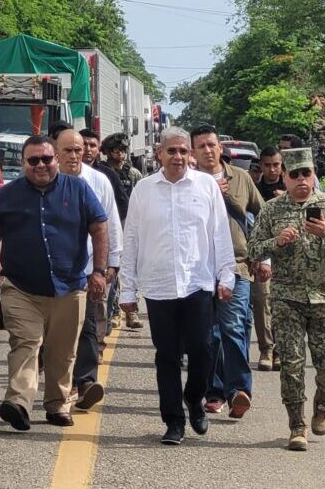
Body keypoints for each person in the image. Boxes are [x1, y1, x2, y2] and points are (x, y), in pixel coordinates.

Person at [0, 135, 109, 430]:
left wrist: (99, 271)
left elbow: (99, 227)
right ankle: (19, 403)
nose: (40, 165)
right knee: (26, 343)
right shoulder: (8, 195)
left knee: (62, 352)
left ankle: (57, 405)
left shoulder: (78, 189)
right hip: (21, 287)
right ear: (23, 163)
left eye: (46, 159)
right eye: (32, 160)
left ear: (56, 160)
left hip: (70, 287)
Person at [119, 126, 236, 445]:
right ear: (159, 154)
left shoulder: (206, 187)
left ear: (191, 154)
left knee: (203, 348)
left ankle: (194, 398)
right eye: (172, 151)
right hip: (159, 286)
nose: (178, 157)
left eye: (184, 151)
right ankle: (173, 421)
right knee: (167, 355)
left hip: (198, 282)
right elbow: (131, 240)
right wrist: (127, 289)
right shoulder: (144, 189)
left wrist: (226, 275)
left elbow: (220, 234)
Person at [248, 148, 325, 451]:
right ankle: (296, 426)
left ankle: (322, 404)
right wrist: (276, 241)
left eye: (306, 173)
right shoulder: (272, 209)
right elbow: (253, 249)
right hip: (287, 299)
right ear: (284, 176)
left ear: (314, 176)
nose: (301, 179)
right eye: (294, 174)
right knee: (292, 366)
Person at [191, 124, 266, 419]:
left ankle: (239, 391)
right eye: (202, 146)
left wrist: (263, 257)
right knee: (208, 335)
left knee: (233, 327)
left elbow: (262, 215)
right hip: (199, 268)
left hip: (236, 264)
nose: (208, 151)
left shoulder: (242, 178)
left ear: (220, 148)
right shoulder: (188, 182)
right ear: (194, 152)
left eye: (212, 145)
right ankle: (214, 391)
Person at [56, 129, 123, 409]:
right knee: (60, 330)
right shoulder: (46, 180)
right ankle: (62, 381)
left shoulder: (99, 181)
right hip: (53, 270)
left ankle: (85, 382)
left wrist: (112, 263)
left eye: (78, 150)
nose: (74, 156)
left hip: (88, 267)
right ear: (56, 153)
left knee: (88, 326)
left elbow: (111, 223)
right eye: (68, 151)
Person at [80, 128, 128, 360]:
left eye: (92, 145)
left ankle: (95, 348)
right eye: (83, 146)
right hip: (69, 262)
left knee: (97, 306)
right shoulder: (55, 176)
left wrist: (113, 259)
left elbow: (116, 216)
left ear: (98, 149)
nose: (87, 150)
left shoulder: (106, 177)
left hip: (98, 257)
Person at [102, 132, 144, 331]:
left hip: (128, 223)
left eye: (123, 150)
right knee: (111, 268)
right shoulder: (102, 172)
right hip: (108, 224)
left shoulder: (133, 173)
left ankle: (131, 310)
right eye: (116, 150)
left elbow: (139, 200)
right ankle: (114, 311)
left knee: (129, 267)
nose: (121, 154)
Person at [253, 146, 283, 371]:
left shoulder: (294, 186)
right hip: (263, 254)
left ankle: (281, 351)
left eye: (276, 165)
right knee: (262, 301)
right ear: (261, 166)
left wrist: (287, 201)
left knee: (283, 305)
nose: (272, 170)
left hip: (290, 257)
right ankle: (266, 349)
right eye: (268, 165)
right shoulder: (254, 189)